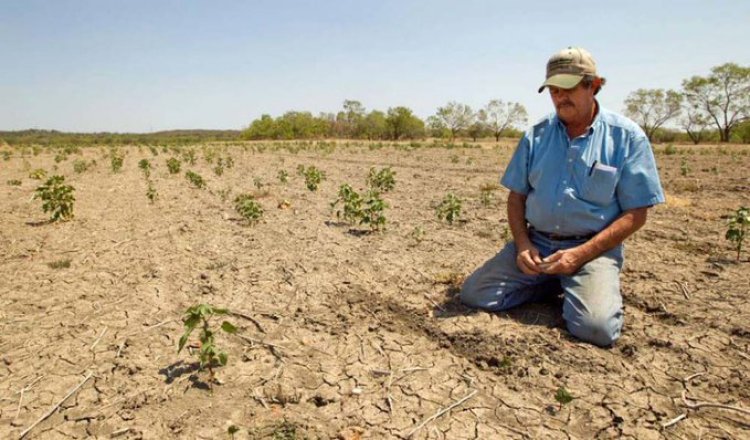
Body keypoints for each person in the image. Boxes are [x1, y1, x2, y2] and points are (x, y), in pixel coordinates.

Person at [460, 47, 664, 347]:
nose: (560, 97)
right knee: (475, 294)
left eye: (568, 88)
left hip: (591, 250)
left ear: (593, 86)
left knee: (596, 330)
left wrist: (579, 256)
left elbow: (637, 213)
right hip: (538, 244)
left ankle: (580, 284)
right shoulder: (536, 136)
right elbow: (516, 198)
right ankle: (549, 281)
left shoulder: (626, 137)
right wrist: (523, 244)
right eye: (553, 90)